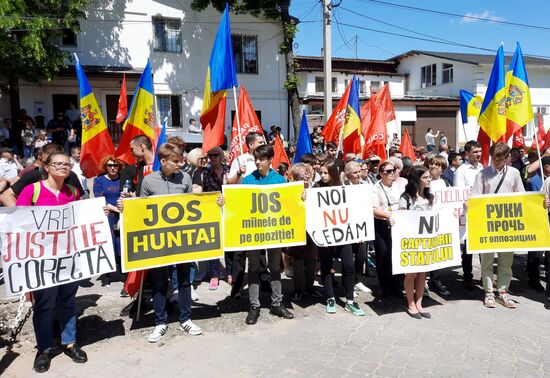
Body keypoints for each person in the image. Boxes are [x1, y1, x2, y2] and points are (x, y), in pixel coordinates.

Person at [16, 151, 87, 373]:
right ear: (47, 166)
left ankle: (70, 343)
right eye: (58, 164)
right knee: (44, 306)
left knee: (68, 301)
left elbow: (81, 217)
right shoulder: (32, 190)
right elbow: (18, 220)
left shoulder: (72, 191)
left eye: (67, 164)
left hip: (68, 257)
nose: (64, 167)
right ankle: (44, 349)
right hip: (42, 261)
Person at [139, 142, 203, 341]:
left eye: (181, 160)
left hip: (182, 239)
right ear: (163, 161)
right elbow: (141, 210)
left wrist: (212, 201)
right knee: (159, 282)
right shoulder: (148, 181)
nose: (180, 164)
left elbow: (193, 205)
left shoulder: (185, 178)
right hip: (158, 240)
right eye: (175, 161)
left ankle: (186, 318)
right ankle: (160, 322)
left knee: (185, 280)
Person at [231, 144, 294, 324]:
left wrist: (301, 197)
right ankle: (254, 305)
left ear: (269, 161)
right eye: (256, 159)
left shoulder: (280, 181)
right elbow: (240, 204)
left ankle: (276, 303)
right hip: (254, 231)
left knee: (275, 268)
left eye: (262, 159)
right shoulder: (248, 180)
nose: (258, 162)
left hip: (274, 231)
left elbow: (289, 203)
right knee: (253, 268)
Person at [471, 142, 524, 309]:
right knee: (486, 260)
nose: (497, 161)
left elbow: (521, 197)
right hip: (488, 224)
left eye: (500, 158)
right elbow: (475, 196)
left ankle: (503, 291)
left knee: (506, 260)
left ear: (507, 157)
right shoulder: (483, 174)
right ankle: (488, 291)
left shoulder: (514, 173)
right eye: (494, 158)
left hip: (507, 224)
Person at [314, 159, 365, 315]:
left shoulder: (343, 189)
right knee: (327, 267)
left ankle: (350, 300)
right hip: (325, 236)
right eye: (320, 172)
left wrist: (359, 231)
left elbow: (354, 211)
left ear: (333, 173)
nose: (322, 176)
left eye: (325, 173)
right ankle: (330, 297)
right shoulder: (315, 189)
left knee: (349, 266)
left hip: (344, 236)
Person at [399, 166, 433, 319]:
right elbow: (401, 219)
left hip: (426, 241)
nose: (429, 180)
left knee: (422, 274)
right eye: (425, 177)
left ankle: (419, 303)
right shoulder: (405, 198)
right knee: (412, 273)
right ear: (417, 179)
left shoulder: (429, 197)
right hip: (411, 241)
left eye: (429, 177)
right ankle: (410, 303)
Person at [454, 140, 484, 290]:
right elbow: (458, 192)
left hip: (481, 213)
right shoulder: (461, 171)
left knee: (482, 244)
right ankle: (467, 276)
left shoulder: (482, 167)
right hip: (467, 213)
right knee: (467, 248)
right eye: (475, 152)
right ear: (467, 154)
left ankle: (485, 276)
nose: (478, 154)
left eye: (480, 151)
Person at [93, 155, 125, 290]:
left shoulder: (123, 179)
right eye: (110, 165)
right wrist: (114, 209)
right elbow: (99, 199)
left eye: (115, 165)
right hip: (107, 215)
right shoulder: (99, 180)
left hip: (123, 215)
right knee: (108, 244)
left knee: (122, 244)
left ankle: (125, 274)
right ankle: (107, 276)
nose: (113, 168)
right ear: (105, 167)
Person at [372, 160, 404, 297]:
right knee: (383, 255)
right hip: (382, 225)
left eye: (394, 170)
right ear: (381, 174)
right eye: (388, 171)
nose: (392, 173)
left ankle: (397, 285)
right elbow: (373, 209)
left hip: (398, 224)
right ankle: (384, 286)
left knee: (397, 255)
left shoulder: (400, 186)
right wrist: (387, 215)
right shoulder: (376, 188)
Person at [201, 146, 230, 290]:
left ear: (221, 156)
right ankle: (215, 274)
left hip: (229, 208)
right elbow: (202, 190)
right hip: (212, 209)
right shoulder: (205, 171)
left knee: (229, 242)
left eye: (215, 155)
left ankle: (230, 272)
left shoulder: (229, 170)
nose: (212, 158)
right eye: (210, 155)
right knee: (214, 241)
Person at [343, 161, 372, 295]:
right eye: (355, 172)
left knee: (361, 256)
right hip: (347, 227)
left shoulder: (366, 186)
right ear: (348, 175)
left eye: (359, 171)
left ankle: (357, 280)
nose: (359, 174)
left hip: (362, 227)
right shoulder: (342, 187)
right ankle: (348, 283)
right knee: (348, 259)